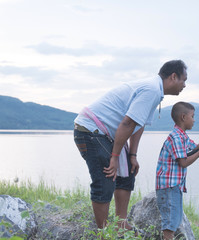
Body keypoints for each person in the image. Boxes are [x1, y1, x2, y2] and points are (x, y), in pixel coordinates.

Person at [73, 60, 188, 235]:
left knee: (127, 172)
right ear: (173, 76)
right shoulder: (151, 90)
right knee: (105, 181)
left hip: (105, 134)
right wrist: (114, 156)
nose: (184, 85)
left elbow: (137, 124)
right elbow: (127, 123)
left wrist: (132, 155)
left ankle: (121, 225)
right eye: (183, 80)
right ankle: (104, 234)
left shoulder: (155, 92)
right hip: (90, 130)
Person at [155, 102, 199, 240]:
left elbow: (194, 148)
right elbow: (183, 162)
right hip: (169, 188)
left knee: (173, 222)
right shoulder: (176, 137)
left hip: (174, 187)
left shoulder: (181, 136)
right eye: (192, 116)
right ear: (183, 117)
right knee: (169, 226)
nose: (194, 119)